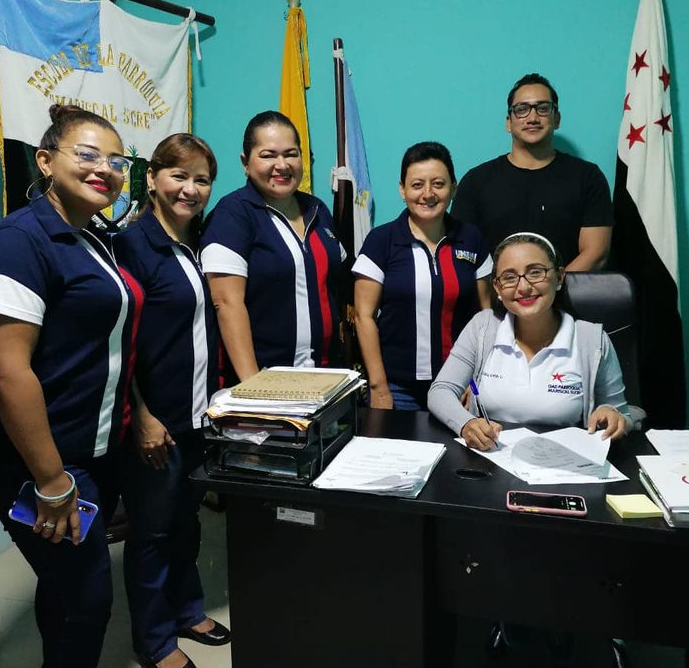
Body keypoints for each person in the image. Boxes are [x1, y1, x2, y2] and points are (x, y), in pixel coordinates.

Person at [0, 104, 137, 667]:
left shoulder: (90, 239)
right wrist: (51, 480)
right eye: (87, 155)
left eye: (117, 161)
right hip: (33, 455)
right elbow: (5, 371)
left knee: (66, 583)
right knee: (86, 594)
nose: (104, 169)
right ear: (44, 161)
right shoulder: (13, 242)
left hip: (90, 444)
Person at [113, 134, 230, 668]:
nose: (190, 189)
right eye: (179, 176)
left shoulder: (201, 243)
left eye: (201, 179)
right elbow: (119, 342)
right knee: (153, 531)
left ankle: (187, 609)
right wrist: (142, 414)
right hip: (155, 418)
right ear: (153, 178)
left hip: (199, 414)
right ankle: (155, 639)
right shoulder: (133, 246)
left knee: (186, 520)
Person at [428, 231, 630, 449]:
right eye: (509, 277)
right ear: (497, 287)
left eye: (535, 272)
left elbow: (623, 415)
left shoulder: (592, 340)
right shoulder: (483, 327)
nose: (523, 287)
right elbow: (441, 391)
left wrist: (612, 415)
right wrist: (466, 423)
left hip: (563, 462)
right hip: (490, 458)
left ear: (559, 277)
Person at [201, 111, 344, 381]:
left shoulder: (317, 209)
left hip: (326, 376)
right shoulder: (232, 215)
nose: (282, 165)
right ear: (245, 162)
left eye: (291, 154)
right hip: (267, 380)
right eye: (268, 155)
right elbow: (227, 303)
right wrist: (253, 384)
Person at [353, 141, 492, 411]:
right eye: (417, 185)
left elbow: (485, 317)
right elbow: (363, 316)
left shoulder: (471, 238)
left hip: (460, 383)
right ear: (402, 189)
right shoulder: (381, 241)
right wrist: (379, 387)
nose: (428, 194)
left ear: (453, 188)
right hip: (397, 387)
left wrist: (475, 379)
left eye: (438, 184)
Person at [451, 73, 613, 271]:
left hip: (567, 290)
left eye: (543, 108)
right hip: (494, 290)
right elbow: (462, 254)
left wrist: (553, 287)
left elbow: (596, 254)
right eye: (522, 109)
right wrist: (501, 288)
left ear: (557, 119)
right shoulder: (476, 181)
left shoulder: (588, 177)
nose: (533, 118)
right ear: (508, 122)